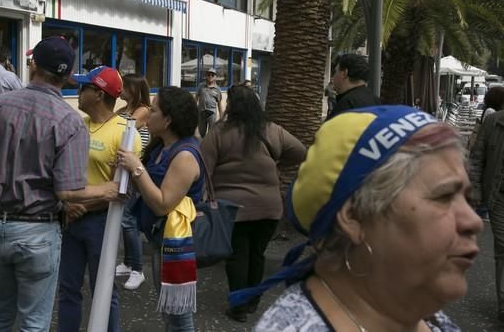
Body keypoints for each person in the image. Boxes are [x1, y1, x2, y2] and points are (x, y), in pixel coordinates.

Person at [226, 105, 481, 331]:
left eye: (468, 199)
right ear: (355, 216)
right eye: (444, 196)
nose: (474, 222)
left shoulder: (426, 316)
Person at [0, 37, 120, 331]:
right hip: (38, 230)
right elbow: (68, 191)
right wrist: (107, 190)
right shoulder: (69, 121)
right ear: (68, 76)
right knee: (33, 323)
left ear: (33, 66)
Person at [200, 85, 307, 323]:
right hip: (269, 207)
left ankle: (238, 307)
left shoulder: (218, 133)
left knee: (237, 255)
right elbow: (301, 152)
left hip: (232, 209)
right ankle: (252, 301)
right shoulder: (273, 130)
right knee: (257, 254)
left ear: (232, 106)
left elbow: (203, 168)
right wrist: (276, 162)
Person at [57, 66, 141, 332]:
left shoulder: (126, 133)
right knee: (68, 288)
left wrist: (81, 204)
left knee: (103, 290)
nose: (78, 93)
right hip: (71, 218)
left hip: (101, 222)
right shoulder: (77, 125)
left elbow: (121, 189)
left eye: (84, 88)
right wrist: (67, 205)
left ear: (98, 93)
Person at [118, 86, 206, 332]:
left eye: (153, 111)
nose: (146, 115)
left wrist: (136, 168)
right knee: (170, 313)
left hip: (176, 246)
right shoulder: (162, 146)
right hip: (161, 241)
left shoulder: (185, 156)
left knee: (178, 315)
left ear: (168, 120)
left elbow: (162, 204)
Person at [469, 95, 504, 322]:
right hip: (498, 196)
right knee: (502, 245)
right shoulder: (494, 122)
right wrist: (476, 194)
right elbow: (477, 159)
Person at [115, 74, 151, 290]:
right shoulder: (123, 109)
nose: (120, 89)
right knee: (125, 220)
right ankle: (129, 263)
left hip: (138, 172)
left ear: (134, 89)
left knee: (129, 221)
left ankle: (138, 269)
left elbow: (123, 129)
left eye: (124, 86)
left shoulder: (143, 110)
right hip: (126, 171)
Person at [326, 54, 381, 120]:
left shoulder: (346, 105)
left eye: (335, 72)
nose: (333, 77)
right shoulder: (376, 101)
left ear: (344, 73)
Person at [195, 68, 223, 138]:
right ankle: (204, 141)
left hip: (212, 113)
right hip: (201, 112)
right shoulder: (201, 86)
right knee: (201, 132)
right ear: (206, 76)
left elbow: (219, 103)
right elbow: (196, 99)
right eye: (209, 74)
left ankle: (209, 146)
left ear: (215, 77)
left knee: (211, 133)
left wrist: (221, 116)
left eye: (212, 75)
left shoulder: (218, 89)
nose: (210, 76)